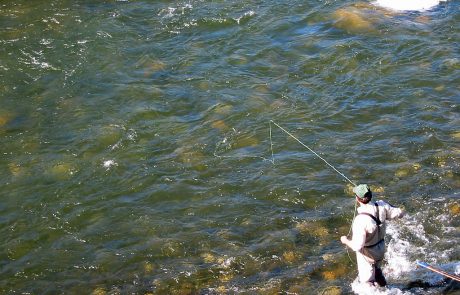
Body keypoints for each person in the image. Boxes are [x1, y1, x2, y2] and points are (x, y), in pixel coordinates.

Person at [340, 184, 405, 287]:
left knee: (367, 283)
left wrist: (345, 240)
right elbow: (400, 213)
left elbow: (357, 246)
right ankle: (384, 287)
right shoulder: (382, 205)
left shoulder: (360, 220)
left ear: (357, 199)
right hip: (381, 248)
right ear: (371, 195)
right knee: (377, 269)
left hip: (368, 254)